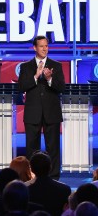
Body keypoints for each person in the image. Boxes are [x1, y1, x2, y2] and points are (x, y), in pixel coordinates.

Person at [18, 35, 66, 179]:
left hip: (51, 113)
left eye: (46, 46)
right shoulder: (26, 66)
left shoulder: (56, 65)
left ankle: (54, 177)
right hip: (33, 113)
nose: (45, 49)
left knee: (53, 147)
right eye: (41, 46)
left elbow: (61, 87)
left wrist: (50, 79)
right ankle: (32, 176)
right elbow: (22, 86)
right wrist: (36, 75)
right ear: (34, 48)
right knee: (32, 147)